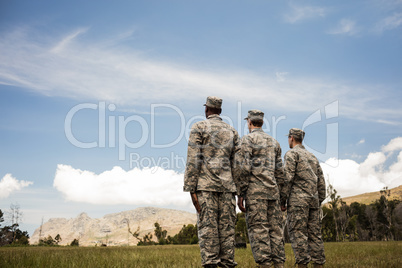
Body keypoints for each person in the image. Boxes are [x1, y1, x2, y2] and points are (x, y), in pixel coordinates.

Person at [183, 96, 240, 268]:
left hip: (205, 190)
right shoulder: (232, 131)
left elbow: (193, 160)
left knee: (208, 235)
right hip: (227, 189)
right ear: (220, 111)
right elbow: (237, 165)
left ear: (206, 109)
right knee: (227, 235)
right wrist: (238, 191)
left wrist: (191, 189)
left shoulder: (199, 127)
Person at [237, 110, 286, 268]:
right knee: (276, 233)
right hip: (273, 194)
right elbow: (280, 174)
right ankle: (279, 264)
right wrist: (282, 197)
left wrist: (240, 194)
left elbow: (244, 169)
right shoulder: (274, 142)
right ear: (262, 123)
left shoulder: (247, 140)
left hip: (255, 195)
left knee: (259, 232)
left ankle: (265, 265)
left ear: (249, 122)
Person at [283, 128, 326, 268]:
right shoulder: (312, 156)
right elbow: (321, 182)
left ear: (291, 138)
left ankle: (302, 264)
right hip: (313, 201)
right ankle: (318, 264)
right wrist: (318, 200)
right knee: (315, 234)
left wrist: (282, 199)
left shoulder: (291, 154)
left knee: (298, 234)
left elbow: (287, 178)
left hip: (297, 202)